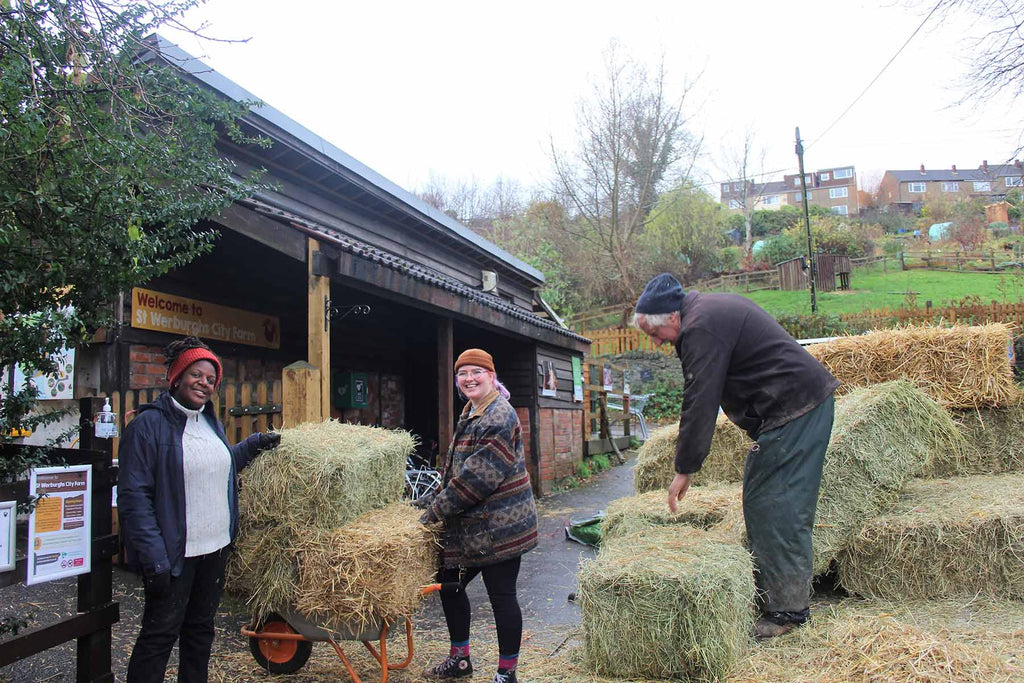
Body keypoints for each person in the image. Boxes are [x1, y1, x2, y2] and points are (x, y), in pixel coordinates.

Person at [632, 273, 839, 639]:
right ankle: (779, 600)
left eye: (654, 335)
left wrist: (684, 469)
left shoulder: (700, 327)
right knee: (768, 500)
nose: (657, 343)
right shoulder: (705, 313)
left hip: (795, 409)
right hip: (794, 407)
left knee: (776, 504)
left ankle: (788, 614)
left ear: (672, 318)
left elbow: (700, 400)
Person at [118, 336, 280, 682]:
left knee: (200, 633)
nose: (204, 383)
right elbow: (134, 497)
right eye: (197, 374)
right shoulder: (147, 427)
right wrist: (155, 558)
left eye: (211, 379)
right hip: (175, 555)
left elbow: (216, 467)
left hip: (215, 549)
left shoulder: (208, 422)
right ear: (176, 376)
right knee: (159, 637)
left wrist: (250, 446)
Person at [419, 348, 538, 683]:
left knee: (501, 597)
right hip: (471, 527)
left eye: (476, 372)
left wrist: (433, 511)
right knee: (450, 584)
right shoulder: (472, 410)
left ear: (491, 375)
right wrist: (433, 499)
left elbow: (478, 479)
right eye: (462, 374)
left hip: (501, 526)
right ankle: (460, 660)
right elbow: (457, 469)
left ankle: (506, 673)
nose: (469, 379)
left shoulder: (499, 416)